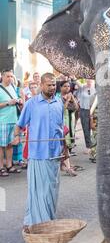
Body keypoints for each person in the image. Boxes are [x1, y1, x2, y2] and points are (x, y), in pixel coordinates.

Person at [13, 73, 69, 226]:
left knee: (52, 188)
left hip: (55, 153)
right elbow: (19, 125)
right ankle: (39, 221)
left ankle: (48, 217)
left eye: (54, 85)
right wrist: (16, 137)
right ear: (42, 85)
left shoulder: (59, 102)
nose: (52, 87)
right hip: (38, 153)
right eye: (49, 84)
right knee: (39, 190)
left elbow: (61, 130)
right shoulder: (32, 104)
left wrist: (65, 149)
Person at [0, 69, 22, 177]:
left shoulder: (13, 87)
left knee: (10, 145)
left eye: (11, 76)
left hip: (13, 120)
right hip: (2, 121)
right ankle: (1, 168)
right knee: (1, 146)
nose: (10, 78)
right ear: (2, 77)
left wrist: (19, 100)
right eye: (8, 76)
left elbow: (16, 99)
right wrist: (8, 103)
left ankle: (9, 166)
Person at [74, 79, 96, 158]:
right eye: (88, 80)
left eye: (91, 80)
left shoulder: (96, 88)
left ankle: (95, 147)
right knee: (86, 129)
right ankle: (88, 146)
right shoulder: (82, 87)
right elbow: (76, 82)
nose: (89, 81)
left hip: (93, 110)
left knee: (94, 129)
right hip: (84, 110)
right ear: (86, 80)